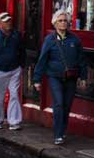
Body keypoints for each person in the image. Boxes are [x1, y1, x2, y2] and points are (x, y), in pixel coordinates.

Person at [32, 10, 82, 145]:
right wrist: (36, 79)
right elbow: (42, 59)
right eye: (60, 20)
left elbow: (81, 59)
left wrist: (83, 77)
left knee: (66, 106)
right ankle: (58, 134)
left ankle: (62, 130)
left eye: (65, 20)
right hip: (54, 77)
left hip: (71, 78)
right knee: (58, 104)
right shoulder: (49, 40)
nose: (63, 23)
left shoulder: (75, 40)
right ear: (55, 23)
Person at [0, 12, 24, 130]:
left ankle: (14, 121)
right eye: (6, 21)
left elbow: (22, 51)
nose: (8, 23)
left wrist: (21, 66)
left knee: (14, 95)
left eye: (10, 20)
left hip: (14, 70)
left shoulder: (16, 35)